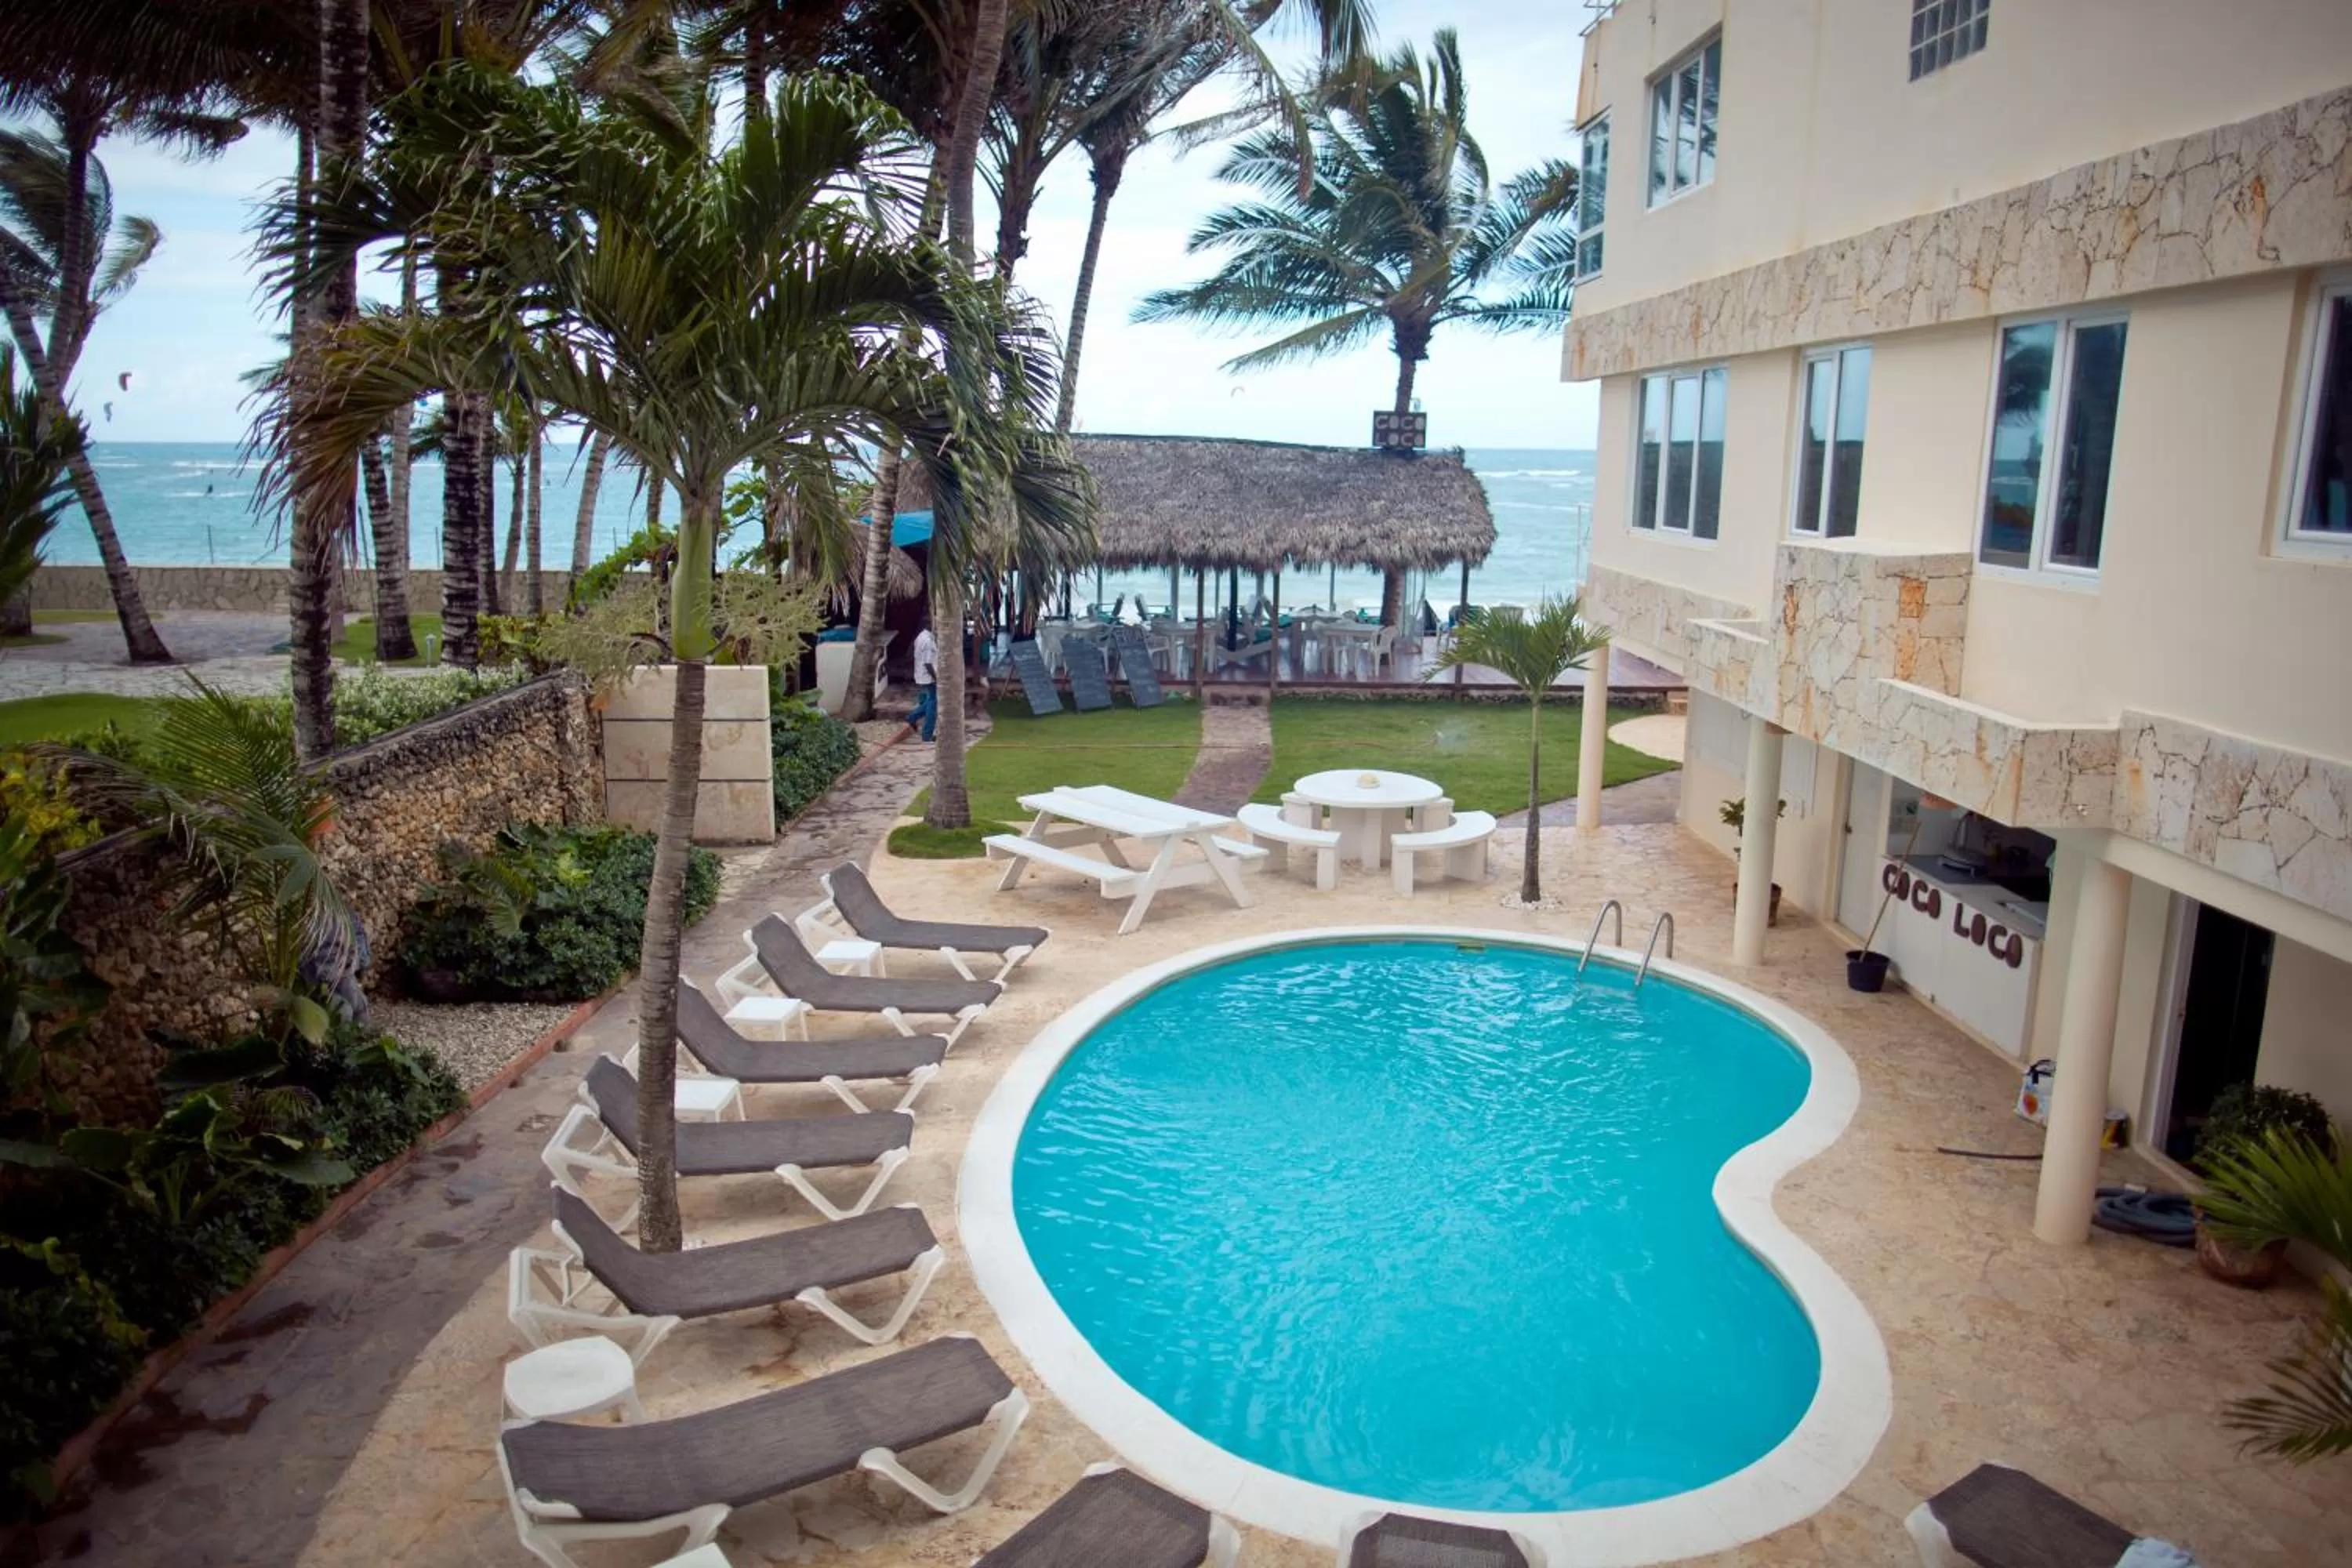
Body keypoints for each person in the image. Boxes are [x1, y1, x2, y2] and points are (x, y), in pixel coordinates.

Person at [907, 620, 938, 742]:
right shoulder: (928, 641)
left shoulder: (920, 636)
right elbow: (928, 663)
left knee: (930, 701)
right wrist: (936, 678)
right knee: (933, 704)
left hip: (921, 675)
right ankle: (927, 735)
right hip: (928, 677)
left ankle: (911, 718)